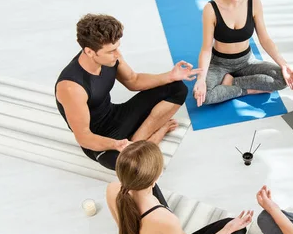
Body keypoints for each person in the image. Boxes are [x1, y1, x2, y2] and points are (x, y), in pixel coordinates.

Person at [55, 14, 200, 170]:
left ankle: (137, 143)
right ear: (90, 52)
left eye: (117, 47)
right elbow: (84, 137)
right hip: (99, 138)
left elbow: (133, 80)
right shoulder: (72, 87)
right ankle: (154, 136)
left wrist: (170, 76)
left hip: (116, 115)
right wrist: (117, 144)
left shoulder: (109, 58)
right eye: (111, 51)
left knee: (177, 88)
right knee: (131, 167)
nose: (117, 54)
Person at [106, 141, 253, 234]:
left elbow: (126, 225)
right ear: (156, 176)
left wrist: (132, 157)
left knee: (156, 202)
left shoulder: (112, 190)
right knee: (236, 230)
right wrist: (228, 230)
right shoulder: (165, 219)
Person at [193, 0, 293, 106]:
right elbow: (206, 48)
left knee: (282, 78)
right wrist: (201, 79)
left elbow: (265, 39)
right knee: (203, 96)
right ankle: (248, 90)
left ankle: (232, 82)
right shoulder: (211, 9)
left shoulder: (254, 2)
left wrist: (284, 65)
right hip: (219, 64)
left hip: (247, 61)